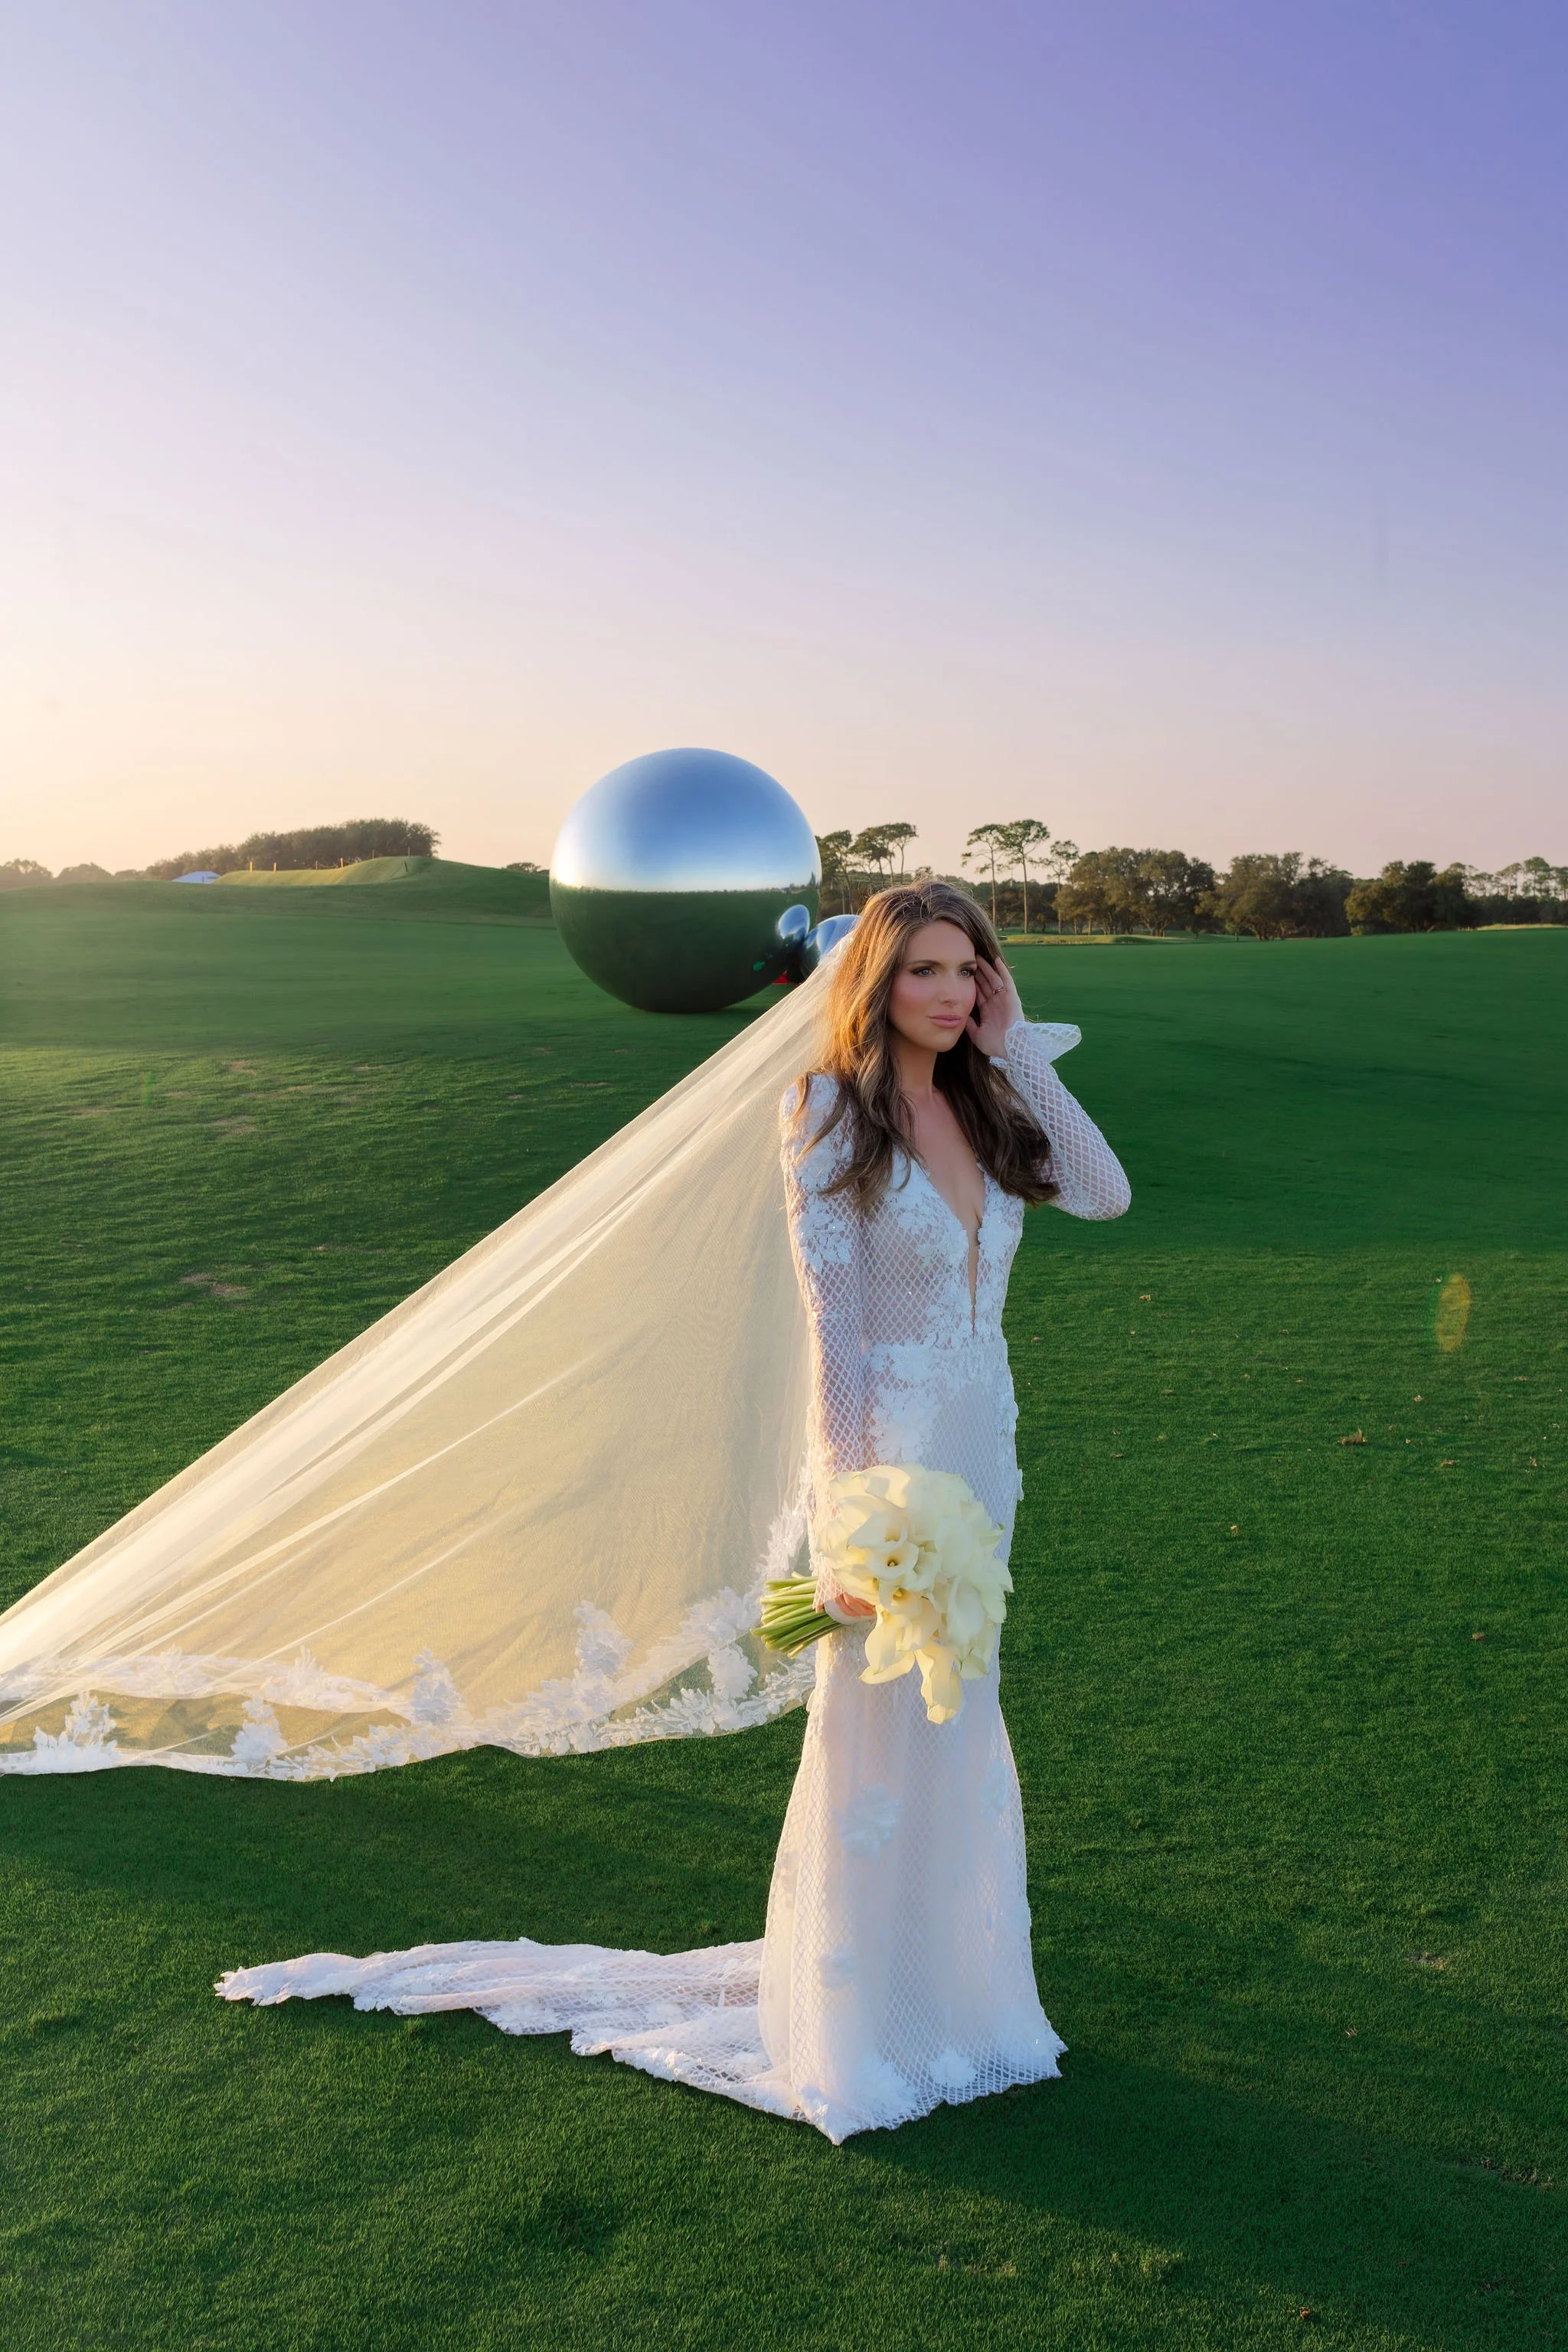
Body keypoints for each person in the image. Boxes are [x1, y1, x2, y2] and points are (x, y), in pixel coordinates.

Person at [218, 880, 1130, 2144]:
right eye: (924, 970)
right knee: (877, 1735)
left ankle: (962, 2002)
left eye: (971, 970)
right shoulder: (824, 1111)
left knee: (959, 1716)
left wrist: (1016, 1045)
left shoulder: (989, 1095)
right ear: (874, 980)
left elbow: (1104, 1193)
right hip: (892, 1472)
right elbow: (839, 1343)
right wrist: (854, 1528)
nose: (950, 993)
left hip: (988, 1455)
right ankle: (865, 2022)